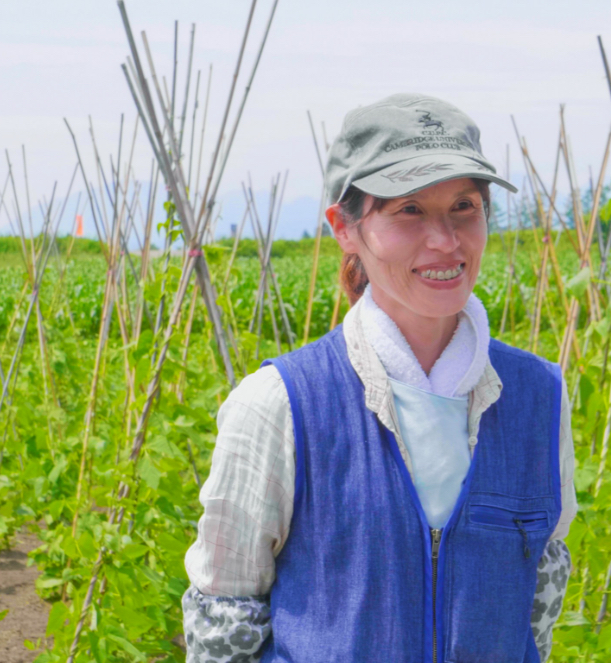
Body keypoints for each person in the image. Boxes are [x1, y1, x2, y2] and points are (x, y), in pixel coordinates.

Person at [181, 93, 577, 662]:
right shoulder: (281, 406)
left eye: (464, 206)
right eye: (409, 210)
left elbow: (539, 595)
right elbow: (225, 624)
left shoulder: (539, 396)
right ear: (345, 228)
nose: (445, 240)